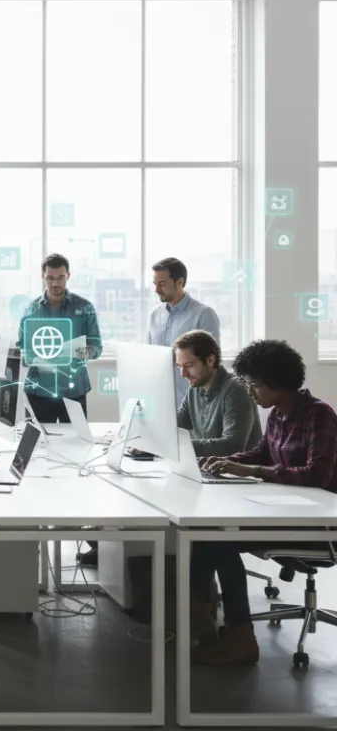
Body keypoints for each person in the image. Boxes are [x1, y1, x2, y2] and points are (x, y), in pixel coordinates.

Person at [190, 340, 337, 665]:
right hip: (284, 511)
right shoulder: (277, 416)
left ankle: (241, 640)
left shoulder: (319, 415)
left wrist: (253, 470)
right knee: (201, 535)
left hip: (317, 526)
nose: (251, 391)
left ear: (278, 383)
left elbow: (318, 475)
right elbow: (261, 452)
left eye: (255, 384)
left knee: (220, 542)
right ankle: (198, 622)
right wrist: (223, 461)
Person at [16, 253, 102, 424]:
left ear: (68, 276)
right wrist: (29, 355)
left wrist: (86, 352)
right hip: (39, 391)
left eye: (60, 277)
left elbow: (97, 346)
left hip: (74, 390)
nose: (55, 283)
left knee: (77, 445)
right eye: (50, 278)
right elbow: (22, 348)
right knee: (39, 446)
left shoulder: (85, 307)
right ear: (43, 277)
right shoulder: (30, 309)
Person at [173, 330, 261, 458]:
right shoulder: (194, 388)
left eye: (189, 365)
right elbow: (177, 422)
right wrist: (149, 442)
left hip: (241, 473)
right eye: (179, 366)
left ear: (210, 360)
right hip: (212, 469)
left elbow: (232, 446)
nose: (183, 373)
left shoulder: (236, 390)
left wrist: (178, 447)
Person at [148, 258, 221, 407]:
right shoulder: (155, 315)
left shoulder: (203, 314)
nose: (156, 290)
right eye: (155, 284)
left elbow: (213, 364)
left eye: (162, 284)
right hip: (161, 402)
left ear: (180, 282)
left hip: (195, 405)